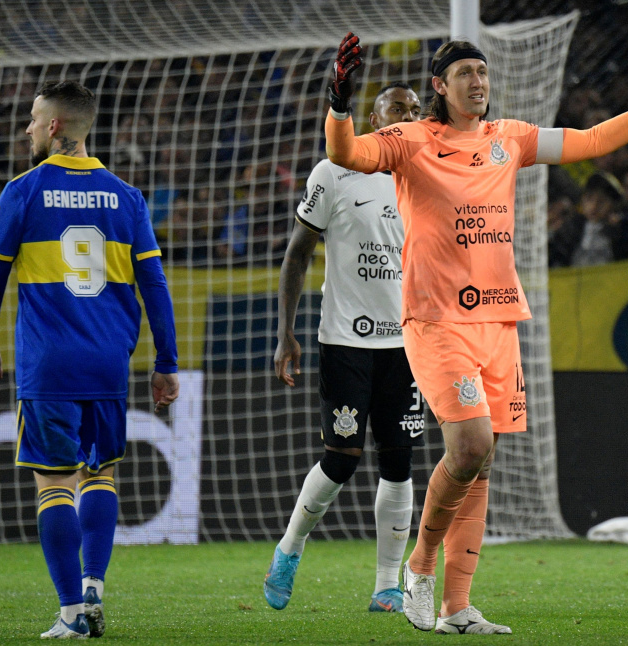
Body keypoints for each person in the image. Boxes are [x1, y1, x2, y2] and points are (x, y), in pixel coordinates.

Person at [324, 33, 628, 634]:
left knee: (482, 465)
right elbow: (347, 153)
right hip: (436, 320)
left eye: (482, 72)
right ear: (439, 86)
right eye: (464, 74)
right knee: (471, 446)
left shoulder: (509, 137)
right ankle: (420, 568)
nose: (478, 82)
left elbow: (588, 143)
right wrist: (339, 102)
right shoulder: (411, 140)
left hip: (500, 318)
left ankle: (458, 606)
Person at [0, 80, 179, 639]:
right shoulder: (126, 196)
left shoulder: (24, 189)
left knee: (54, 483)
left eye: (34, 120)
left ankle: (69, 612)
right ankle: (94, 588)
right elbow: (154, 284)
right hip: (109, 363)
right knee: (102, 475)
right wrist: (167, 360)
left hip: (48, 364)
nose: (28, 129)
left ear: (56, 127)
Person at [264, 82, 426, 613]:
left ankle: (386, 585)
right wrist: (285, 332)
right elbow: (297, 254)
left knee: (399, 462)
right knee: (341, 460)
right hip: (345, 342)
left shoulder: (425, 177)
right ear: (373, 117)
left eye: (416, 109)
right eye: (397, 108)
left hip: (408, 345)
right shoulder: (333, 172)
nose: (409, 115)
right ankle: (290, 547)